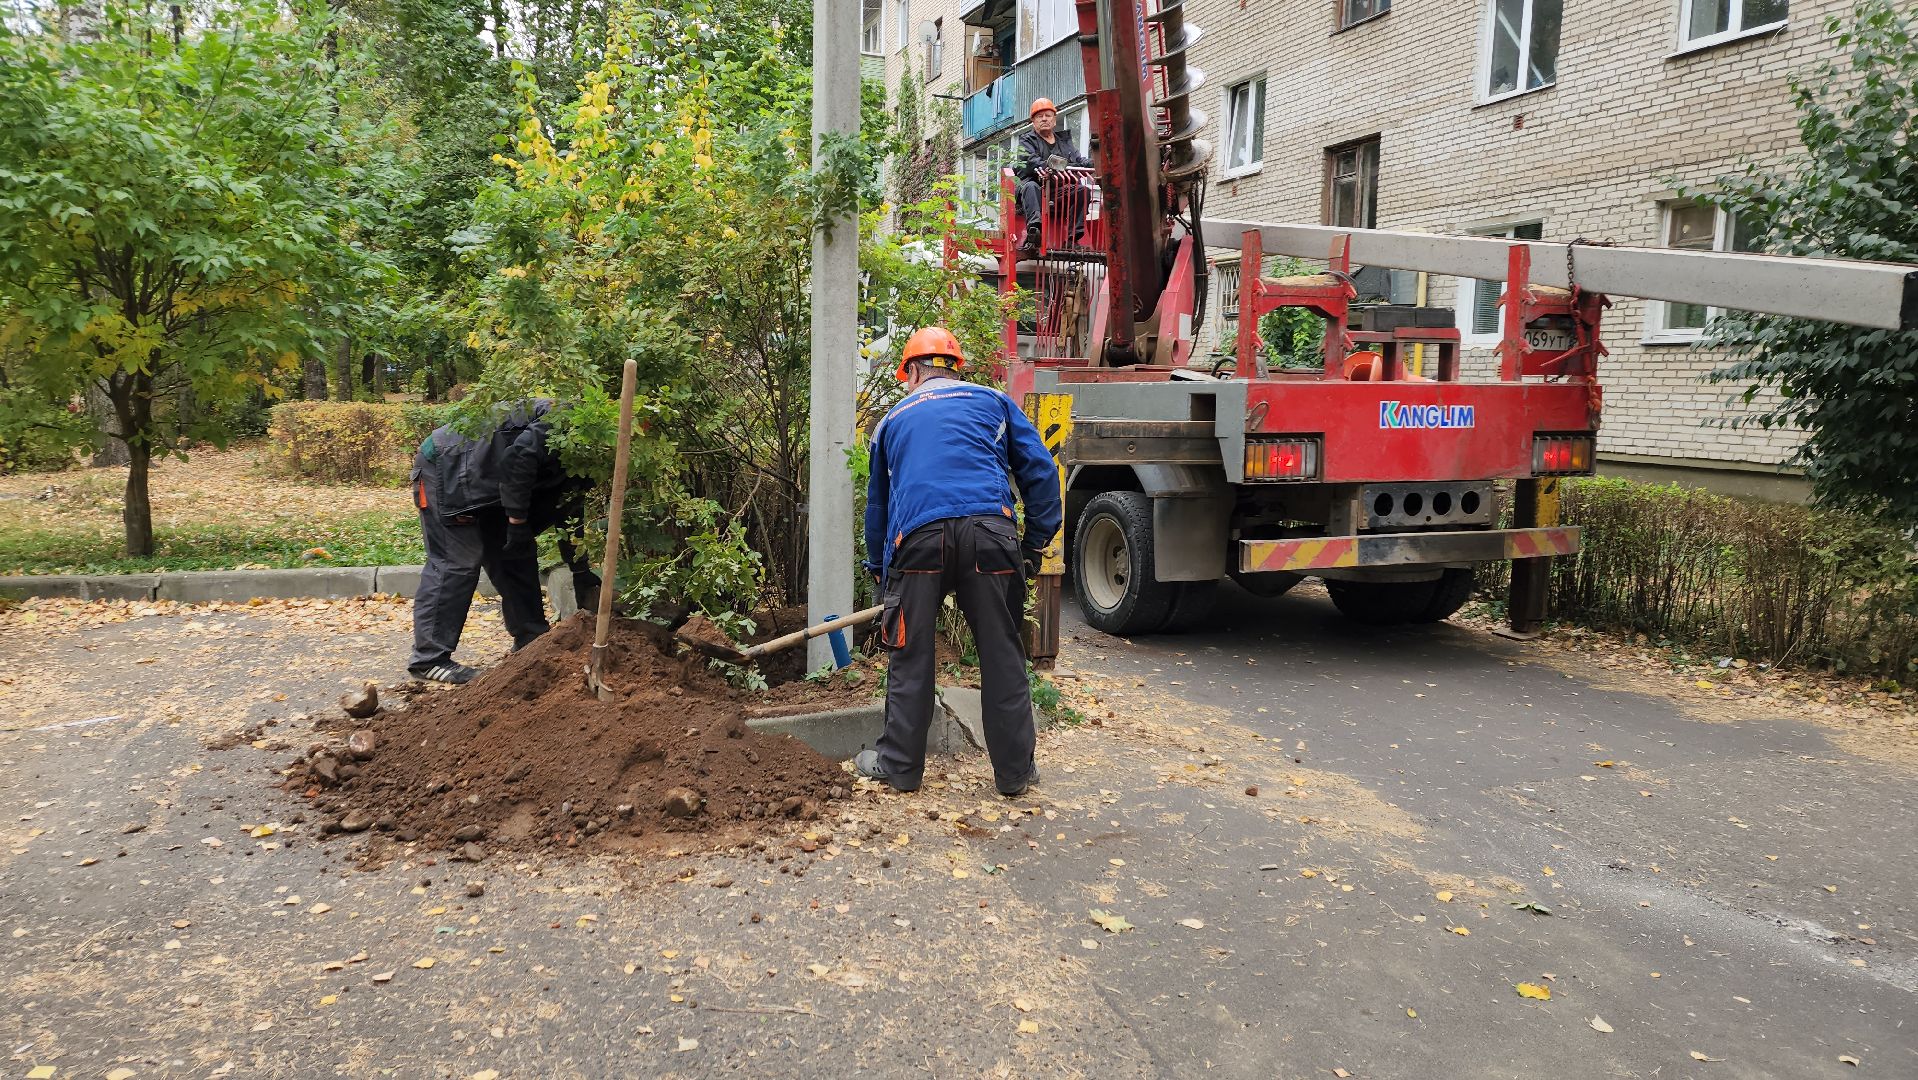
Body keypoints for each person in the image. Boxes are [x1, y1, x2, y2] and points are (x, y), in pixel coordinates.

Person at [853, 328, 1063, 797]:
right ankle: (1013, 775)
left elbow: (879, 509)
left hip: (919, 542)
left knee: (910, 656)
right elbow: (1041, 470)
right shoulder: (993, 401)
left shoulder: (890, 421)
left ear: (910, 372)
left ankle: (901, 769)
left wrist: (879, 572)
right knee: (1003, 655)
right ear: (956, 368)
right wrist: (1033, 545)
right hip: (991, 535)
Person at [408, 399, 599, 684]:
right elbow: (519, 457)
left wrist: (581, 570)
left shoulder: (585, 452)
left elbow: (568, 506)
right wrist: (518, 520)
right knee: (457, 561)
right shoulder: (566, 421)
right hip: (447, 466)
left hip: (485, 482)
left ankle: (531, 638)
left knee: (515, 553)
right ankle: (429, 659)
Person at [1014, 97, 1093, 255]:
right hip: (1035, 192)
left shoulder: (1064, 142)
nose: (1044, 119)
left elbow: (1079, 160)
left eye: (1048, 115)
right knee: (1030, 186)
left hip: (1057, 193)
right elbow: (1031, 161)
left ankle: (1072, 240)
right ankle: (1034, 233)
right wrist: (1050, 165)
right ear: (1033, 122)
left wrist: (1093, 163)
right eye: (1039, 116)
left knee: (1082, 191)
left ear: (1054, 120)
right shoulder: (1026, 141)